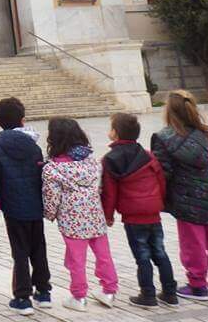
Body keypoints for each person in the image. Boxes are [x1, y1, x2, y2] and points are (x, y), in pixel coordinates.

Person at [151, 90, 208, 300]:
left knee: (192, 243)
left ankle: (197, 285)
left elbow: (163, 172)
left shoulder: (164, 137)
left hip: (185, 198)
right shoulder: (204, 135)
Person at [101, 113, 177, 307]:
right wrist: (159, 202)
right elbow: (160, 180)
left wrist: (108, 215)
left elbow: (110, 192)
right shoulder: (147, 154)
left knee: (142, 257)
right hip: (153, 213)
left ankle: (148, 295)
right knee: (160, 252)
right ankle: (170, 293)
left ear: (115, 134)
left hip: (133, 217)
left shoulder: (110, 159)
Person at [42, 117, 118, 312]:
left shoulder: (53, 168)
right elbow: (99, 187)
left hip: (71, 220)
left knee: (76, 259)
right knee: (103, 254)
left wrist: (49, 214)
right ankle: (109, 290)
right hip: (95, 215)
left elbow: (52, 197)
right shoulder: (92, 161)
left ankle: (79, 296)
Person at [0, 97, 51, 315]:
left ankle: (22, 298)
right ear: (22, 120)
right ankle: (44, 292)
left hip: (13, 207)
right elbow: (41, 176)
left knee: (20, 252)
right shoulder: (34, 146)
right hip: (34, 206)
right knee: (39, 248)